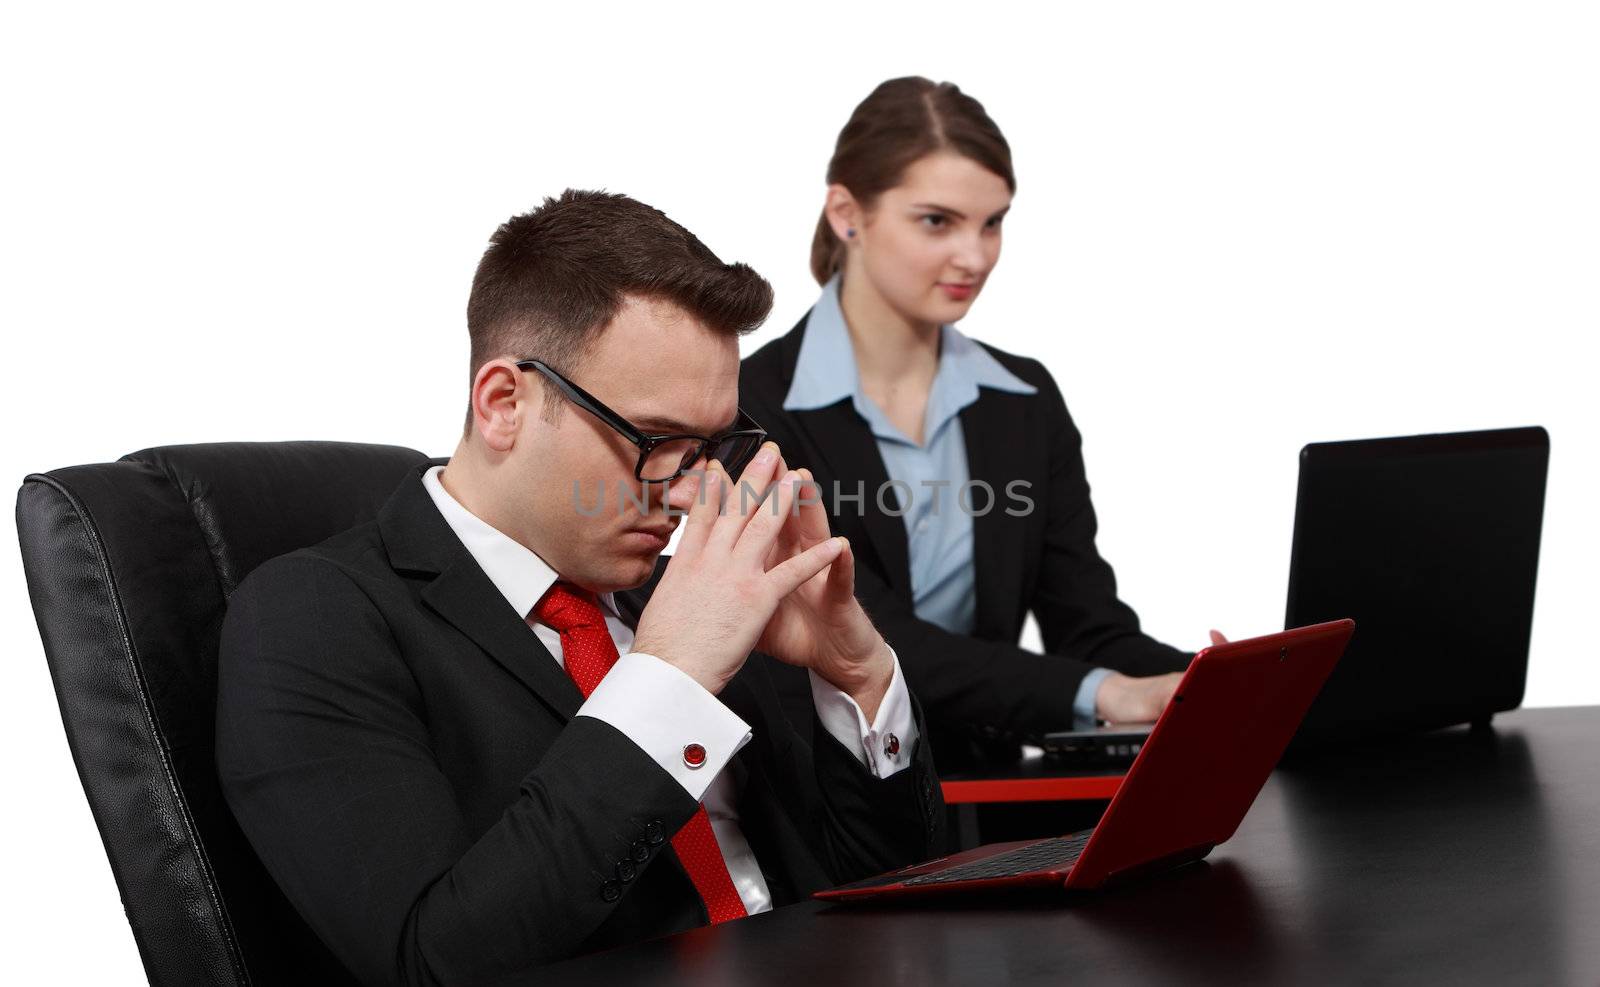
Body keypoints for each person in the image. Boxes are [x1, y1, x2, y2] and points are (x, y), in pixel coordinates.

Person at [215, 190, 944, 986]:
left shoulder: (689, 587)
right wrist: (665, 680)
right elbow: (432, 964)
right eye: (658, 442)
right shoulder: (314, 618)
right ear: (504, 403)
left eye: (711, 447)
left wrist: (858, 679)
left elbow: (888, 905)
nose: (692, 492)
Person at [741, 77, 1221, 770]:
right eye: (938, 221)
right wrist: (1109, 693)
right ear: (848, 213)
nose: (975, 256)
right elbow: (871, 636)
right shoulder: (753, 405)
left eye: (991, 222)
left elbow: (1085, 624)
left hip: (993, 786)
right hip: (833, 797)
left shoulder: (1023, 396)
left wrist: (1208, 680)